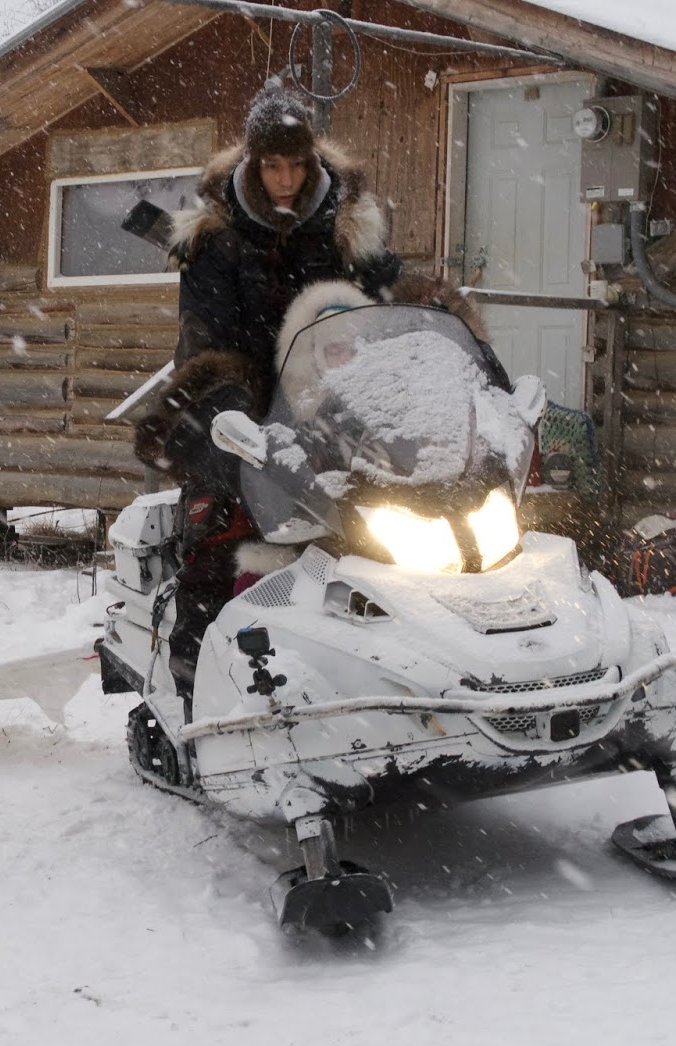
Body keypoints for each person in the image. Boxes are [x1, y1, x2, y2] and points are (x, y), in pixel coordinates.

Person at [135, 81, 401, 702]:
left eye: (297, 165)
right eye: (274, 165)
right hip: (233, 402)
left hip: (327, 401)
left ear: (312, 162)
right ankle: (193, 677)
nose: (286, 179)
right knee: (220, 525)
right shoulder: (214, 234)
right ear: (254, 163)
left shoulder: (346, 226)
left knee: (383, 520)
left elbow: (381, 316)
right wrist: (238, 420)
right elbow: (208, 344)